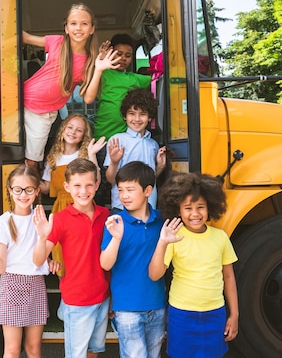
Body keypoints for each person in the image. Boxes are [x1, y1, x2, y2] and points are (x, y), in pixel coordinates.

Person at [0, 164, 60, 358]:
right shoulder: (4, 222)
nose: (23, 195)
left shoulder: (42, 219)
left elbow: (43, 253)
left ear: (37, 191)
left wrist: (50, 262)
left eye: (29, 189)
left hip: (35, 285)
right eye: (18, 189)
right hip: (12, 285)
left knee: (34, 349)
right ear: (10, 190)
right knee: (12, 350)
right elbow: (1, 267)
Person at [148, 172, 239, 358]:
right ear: (178, 210)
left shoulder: (220, 237)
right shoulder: (174, 236)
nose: (195, 213)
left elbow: (229, 277)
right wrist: (163, 242)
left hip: (215, 313)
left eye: (200, 207)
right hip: (181, 314)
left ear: (210, 208)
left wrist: (234, 314)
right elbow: (154, 274)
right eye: (188, 208)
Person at [32, 158, 110, 358]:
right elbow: (38, 260)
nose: (83, 191)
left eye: (88, 185)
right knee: (76, 354)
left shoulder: (105, 215)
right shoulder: (60, 219)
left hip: (102, 295)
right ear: (67, 187)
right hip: (77, 298)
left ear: (97, 185)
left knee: (94, 351)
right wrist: (42, 238)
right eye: (77, 186)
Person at [100, 161, 166, 358]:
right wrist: (117, 237)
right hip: (127, 308)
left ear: (147, 190)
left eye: (130, 190)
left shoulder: (161, 221)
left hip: (157, 305)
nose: (124, 196)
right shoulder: (115, 222)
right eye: (120, 190)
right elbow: (105, 263)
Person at [22, 3, 99, 170]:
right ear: (66, 28)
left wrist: (99, 68)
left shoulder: (88, 61)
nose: (78, 28)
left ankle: (33, 194)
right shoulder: (56, 42)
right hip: (19, 100)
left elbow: (88, 97)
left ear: (92, 29)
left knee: (31, 161)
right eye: (73, 23)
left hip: (41, 113)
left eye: (84, 24)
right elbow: (25, 37)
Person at [41, 113, 106, 277]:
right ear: (63, 129)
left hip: (82, 206)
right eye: (70, 127)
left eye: (79, 130)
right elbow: (48, 187)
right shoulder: (52, 157)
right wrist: (31, 179)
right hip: (60, 208)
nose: (73, 132)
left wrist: (92, 155)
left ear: (84, 135)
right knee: (60, 253)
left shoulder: (83, 156)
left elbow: (96, 179)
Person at [82, 33, 152, 145]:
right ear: (110, 52)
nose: (123, 58)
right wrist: (100, 59)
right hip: (102, 137)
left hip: (126, 139)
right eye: (119, 54)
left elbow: (158, 78)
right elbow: (86, 70)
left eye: (128, 55)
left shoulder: (135, 79)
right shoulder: (102, 73)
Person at [105, 88, 166, 212]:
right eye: (132, 113)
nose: (137, 119)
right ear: (125, 116)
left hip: (148, 207)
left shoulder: (153, 144)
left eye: (142, 114)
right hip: (122, 207)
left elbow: (149, 179)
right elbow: (111, 179)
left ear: (150, 117)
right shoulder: (117, 140)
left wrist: (160, 167)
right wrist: (114, 162)